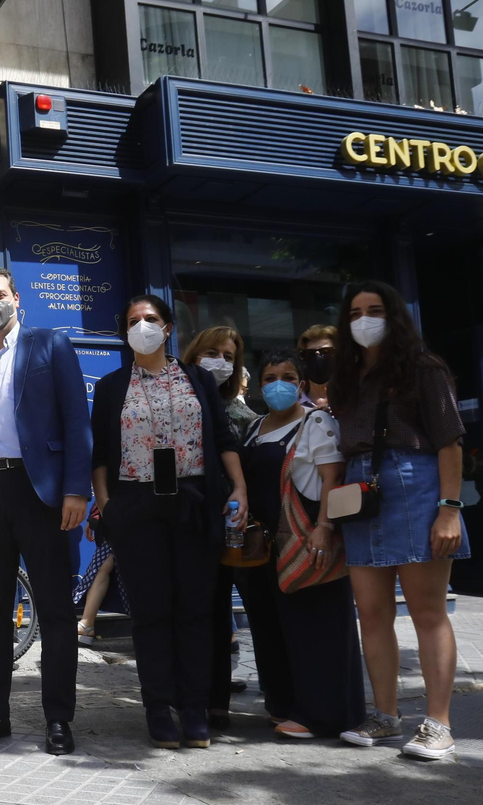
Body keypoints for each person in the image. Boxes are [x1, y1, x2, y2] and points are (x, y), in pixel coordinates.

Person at [91, 294, 247, 750]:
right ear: (125, 331)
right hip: (135, 505)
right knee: (151, 612)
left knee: (196, 611)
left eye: (151, 319)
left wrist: (238, 487)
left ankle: (195, 709)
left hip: (195, 501)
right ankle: (158, 708)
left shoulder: (197, 379)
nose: (143, 326)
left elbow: (223, 437)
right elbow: (99, 453)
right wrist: (107, 505)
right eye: (134, 320)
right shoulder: (111, 386)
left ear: (169, 326)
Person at [0, 267, 91, 756]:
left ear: (17, 297)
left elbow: (77, 420)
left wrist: (77, 490)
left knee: (53, 609)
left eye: (0, 294)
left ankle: (57, 718)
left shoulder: (50, 344)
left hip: (43, 493)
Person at [330, 281, 468, 760]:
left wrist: (449, 510)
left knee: (427, 611)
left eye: (375, 309)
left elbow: (450, 442)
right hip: (358, 487)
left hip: (414, 482)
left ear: (396, 316)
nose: (364, 318)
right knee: (370, 611)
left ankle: (439, 723)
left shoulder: (423, 368)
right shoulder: (345, 376)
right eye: (355, 312)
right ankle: (385, 715)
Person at [234, 350, 365, 739]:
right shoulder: (255, 427)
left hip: (305, 539)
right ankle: (284, 703)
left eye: (288, 376)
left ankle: (321, 714)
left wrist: (324, 527)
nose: (279, 384)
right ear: (259, 386)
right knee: (271, 628)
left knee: (314, 627)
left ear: (302, 384)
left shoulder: (316, 422)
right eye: (271, 376)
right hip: (260, 548)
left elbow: (331, 478)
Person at [182, 325, 253, 725]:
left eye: (229, 357)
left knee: (216, 611)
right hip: (184, 516)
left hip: (227, 523)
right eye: (213, 353)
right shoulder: (176, 396)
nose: (220, 363)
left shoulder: (242, 415)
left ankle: (217, 702)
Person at [298, 324, 337, 409]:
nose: (318, 358)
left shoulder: (353, 401)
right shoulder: (294, 406)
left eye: (326, 352)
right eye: (310, 354)